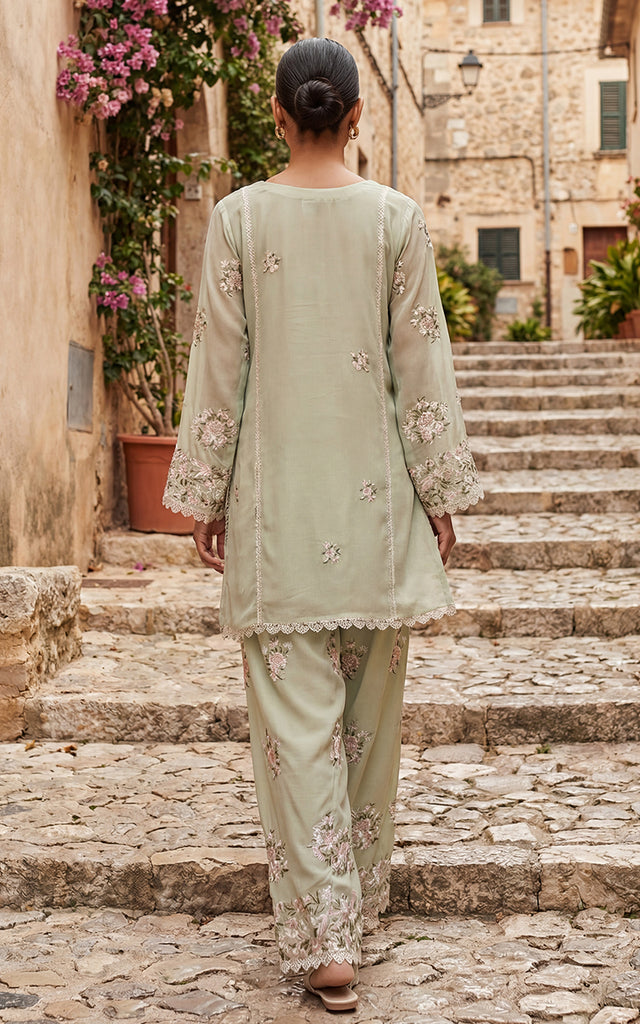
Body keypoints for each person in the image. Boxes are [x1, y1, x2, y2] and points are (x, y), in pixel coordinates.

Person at [163, 36, 482, 1013]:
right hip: (376, 521)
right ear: (355, 117)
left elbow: (219, 364)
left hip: (277, 528)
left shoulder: (237, 219)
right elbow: (421, 364)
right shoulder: (395, 219)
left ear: (277, 115)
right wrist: (438, 491)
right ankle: (352, 910)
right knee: (366, 732)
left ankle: (326, 938)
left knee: (297, 738)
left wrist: (205, 492)